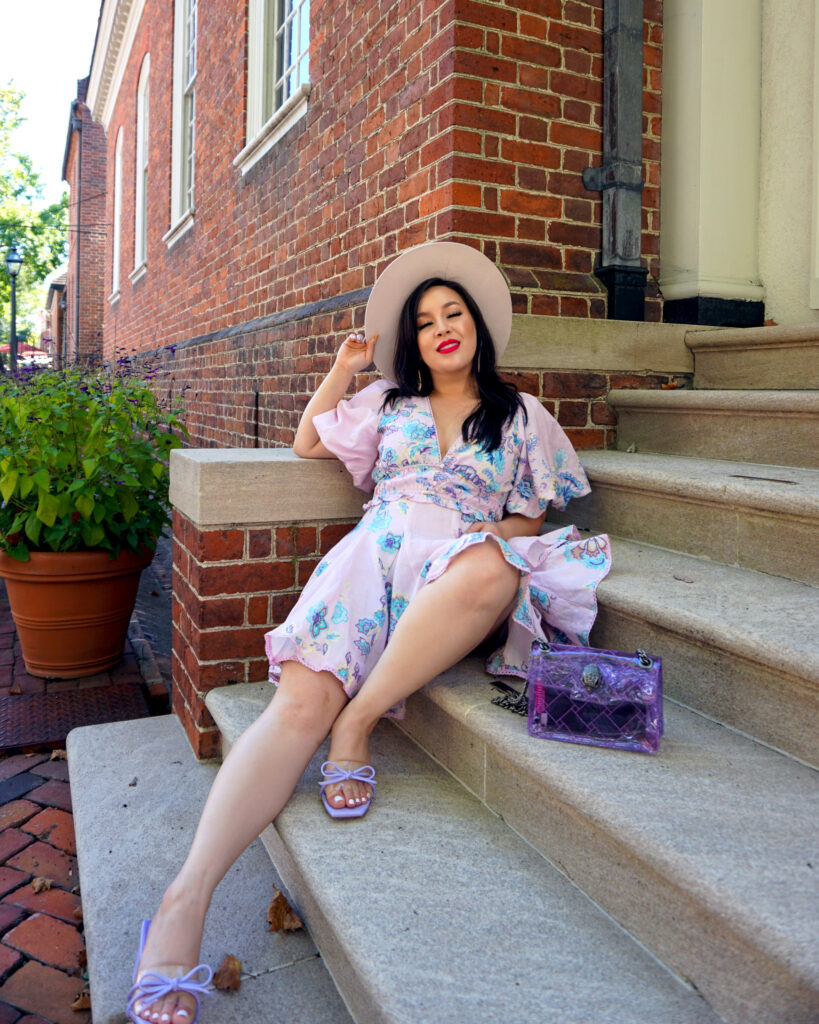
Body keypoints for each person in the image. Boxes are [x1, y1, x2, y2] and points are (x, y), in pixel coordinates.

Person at [127, 242, 611, 1024]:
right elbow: (307, 443)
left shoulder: (521, 415)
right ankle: (184, 904)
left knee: (494, 568)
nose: (440, 328)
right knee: (296, 706)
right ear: (413, 343)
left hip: (458, 561)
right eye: (423, 322)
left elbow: (533, 510)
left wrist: (483, 531)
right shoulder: (388, 401)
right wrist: (347, 367)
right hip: (371, 556)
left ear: (478, 327)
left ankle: (357, 723)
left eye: (453, 313)